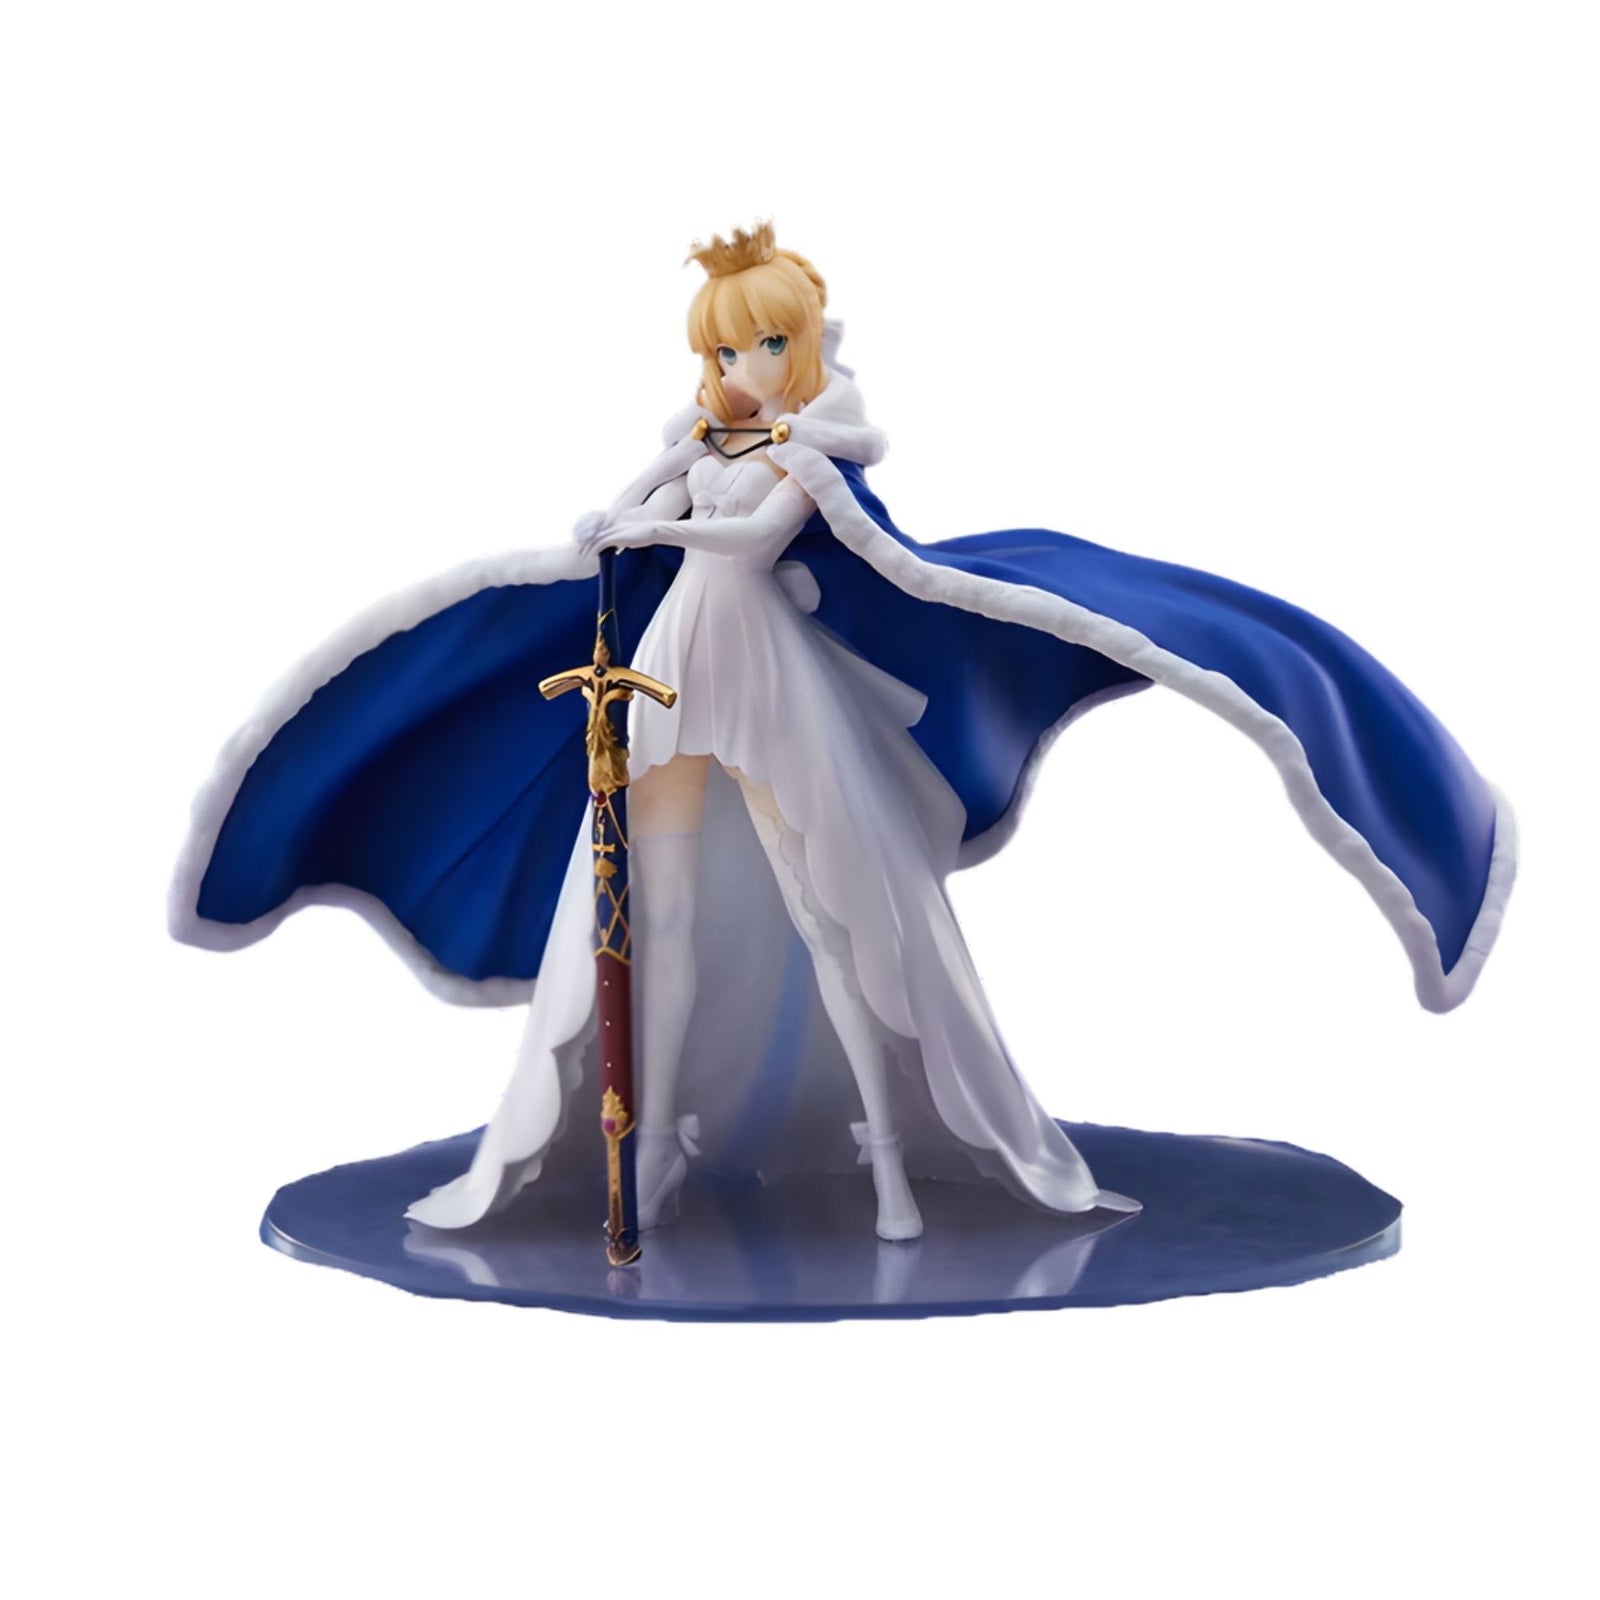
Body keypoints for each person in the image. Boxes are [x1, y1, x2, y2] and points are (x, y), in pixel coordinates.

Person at [170, 222, 1515, 1244]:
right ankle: (643, 1148)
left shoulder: (808, 455)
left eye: (759, 347)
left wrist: (655, 521)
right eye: (720, 352)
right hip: (669, 667)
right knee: (652, 909)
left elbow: (753, 542)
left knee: (836, 912)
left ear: (799, 345)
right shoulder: (710, 437)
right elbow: (635, 505)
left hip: (763, 671)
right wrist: (640, 496)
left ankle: (887, 1160)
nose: (738, 370)